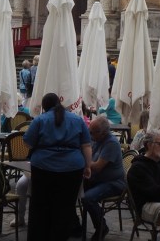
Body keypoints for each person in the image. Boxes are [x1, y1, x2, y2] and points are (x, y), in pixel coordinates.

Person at [23, 93, 92, 241]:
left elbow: (28, 143)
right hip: (72, 168)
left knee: (40, 206)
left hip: (43, 167)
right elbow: (86, 146)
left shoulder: (39, 120)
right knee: (65, 208)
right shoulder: (77, 120)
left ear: (44, 107)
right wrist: (88, 166)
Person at [81, 115, 126, 241]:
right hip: (96, 180)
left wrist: (81, 162)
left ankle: (102, 227)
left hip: (113, 183)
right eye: (89, 131)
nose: (90, 135)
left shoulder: (111, 143)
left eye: (92, 132)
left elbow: (97, 167)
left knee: (87, 198)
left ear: (103, 133)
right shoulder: (96, 138)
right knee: (69, 189)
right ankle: (74, 226)